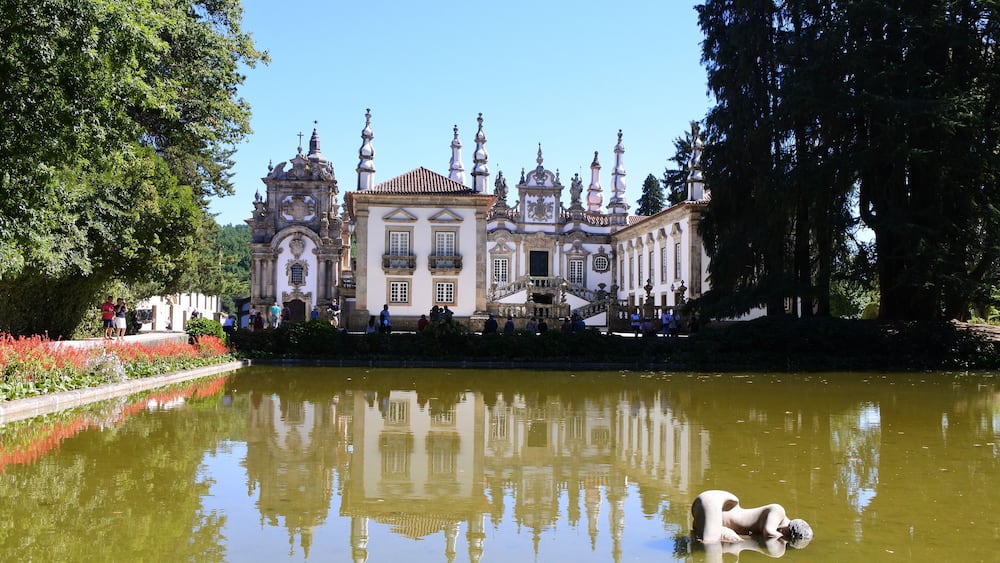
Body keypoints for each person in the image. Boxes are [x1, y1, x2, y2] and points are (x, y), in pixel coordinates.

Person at [691, 490, 813, 545]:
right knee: (710, 544)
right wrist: (782, 539)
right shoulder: (778, 511)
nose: (781, 533)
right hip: (713, 502)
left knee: (724, 540)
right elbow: (769, 532)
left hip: (712, 515)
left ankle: (706, 528)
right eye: (786, 534)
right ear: (788, 529)